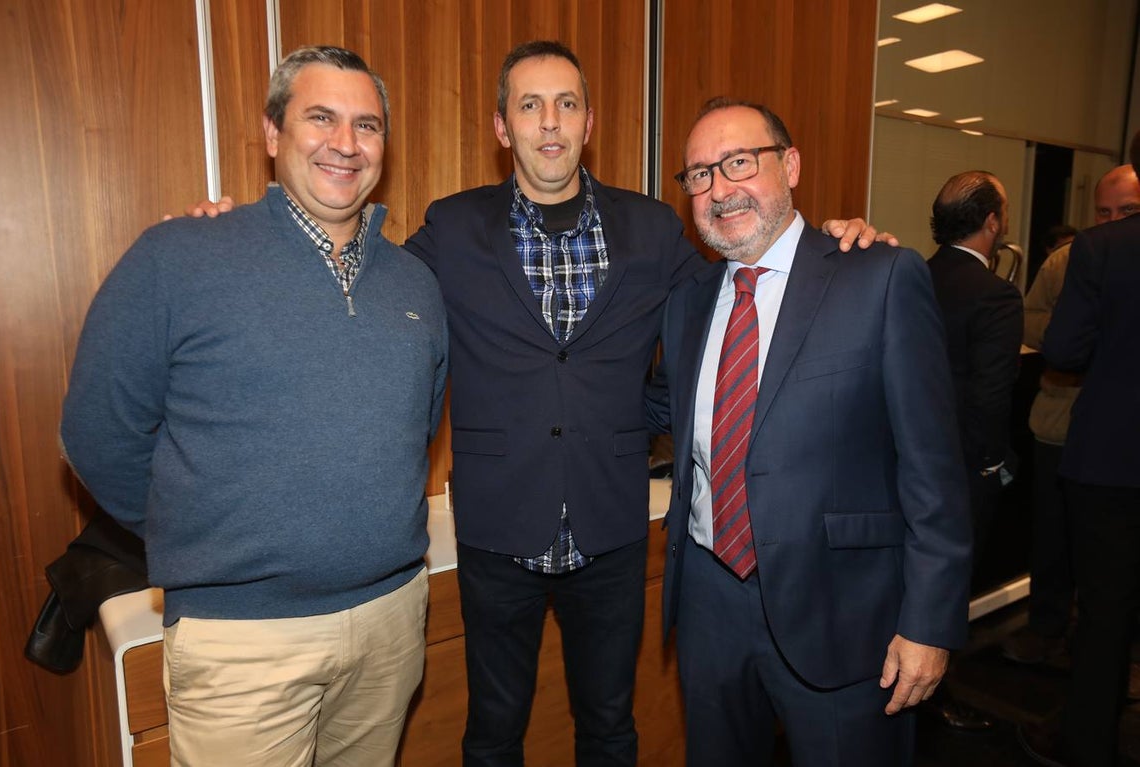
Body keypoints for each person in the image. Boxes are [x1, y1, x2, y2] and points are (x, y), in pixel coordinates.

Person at [185, 40, 886, 766]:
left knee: (610, 727)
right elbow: (362, 283)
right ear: (501, 127)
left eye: (567, 104)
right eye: (529, 105)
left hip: (610, 528)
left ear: (589, 124)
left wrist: (832, 244)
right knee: (493, 732)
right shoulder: (453, 228)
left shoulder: (651, 229)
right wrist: (255, 238)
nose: (549, 123)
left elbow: (737, 291)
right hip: (498, 529)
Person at [60, 46, 448, 767]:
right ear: (273, 134)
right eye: (320, 118)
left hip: (391, 623)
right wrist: (201, 530)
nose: (345, 143)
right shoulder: (179, 257)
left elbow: (411, 433)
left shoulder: (416, 284)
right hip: (242, 642)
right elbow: (96, 433)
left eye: (367, 125)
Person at [648, 98, 971, 767]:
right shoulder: (685, 305)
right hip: (709, 602)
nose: (720, 188)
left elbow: (933, 465)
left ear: (790, 165)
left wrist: (930, 620)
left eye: (739, 161)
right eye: (700, 174)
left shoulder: (878, 275)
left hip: (845, 611)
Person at [1019, 134, 1140, 767]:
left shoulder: (1100, 253)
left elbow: (1063, 349)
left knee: (1103, 610)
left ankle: (1088, 741)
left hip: (1114, 458)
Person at [922, 171, 1023, 732]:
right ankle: (936, 696)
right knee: (949, 591)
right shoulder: (997, 297)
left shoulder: (908, 274)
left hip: (902, 466)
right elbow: (990, 396)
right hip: (961, 471)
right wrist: (989, 464)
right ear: (992, 223)